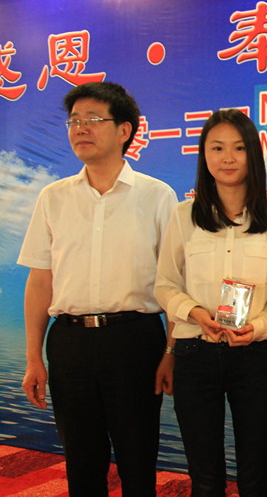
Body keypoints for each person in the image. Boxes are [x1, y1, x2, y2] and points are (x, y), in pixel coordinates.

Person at [17, 81, 178, 496]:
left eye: (93, 119)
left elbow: (174, 283)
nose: (81, 129)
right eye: (74, 121)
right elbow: (40, 280)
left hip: (135, 341)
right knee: (81, 460)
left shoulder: (157, 196)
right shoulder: (53, 197)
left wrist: (170, 352)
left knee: (138, 458)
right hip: (69, 342)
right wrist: (34, 357)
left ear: (125, 130)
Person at [154, 109, 267, 496]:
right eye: (217, 148)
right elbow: (165, 284)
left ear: (254, 155)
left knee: (255, 476)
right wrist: (195, 313)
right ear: (204, 155)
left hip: (255, 356)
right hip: (195, 353)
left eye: (238, 148)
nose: (227, 158)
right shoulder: (183, 216)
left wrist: (258, 327)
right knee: (205, 477)